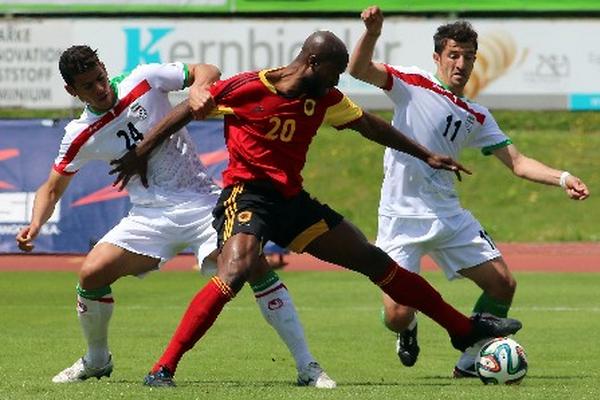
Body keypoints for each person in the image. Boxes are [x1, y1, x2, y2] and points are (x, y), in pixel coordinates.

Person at [110, 30, 523, 387]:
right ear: (312, 61)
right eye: (334, 71)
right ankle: (163, 367)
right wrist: (142, 151)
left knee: (371, 259)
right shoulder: (247, 88)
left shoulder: (324, 96)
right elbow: (186, 108)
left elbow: (369, 125)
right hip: (248, 196)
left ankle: (463, 331)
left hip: (291, 201)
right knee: (235, 270)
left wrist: (427, 154)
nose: (337, 81)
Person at [15, 45, 337, 388]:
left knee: (254, 265)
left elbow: (206, 69)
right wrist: (35, 225)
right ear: (72, 91)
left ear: (105, 68)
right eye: (88, 85)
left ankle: (308, 365)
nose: (100, 88)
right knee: (91, 274)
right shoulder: (79, 135)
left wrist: (198, 89)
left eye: (100, 77)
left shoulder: (144, 79)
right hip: (150, 216)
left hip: (203, 203)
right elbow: (50, 188)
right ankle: (97, 360)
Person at [348, 6, 590, 377]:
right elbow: (358, 70)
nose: (462, 64)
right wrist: (373, 33)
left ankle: (472, 359)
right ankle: (408, 329)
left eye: (469, 57)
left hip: (449, 215)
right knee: (397, 315)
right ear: (438, 57)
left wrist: (563, 177)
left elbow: (519, 162)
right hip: (401, 216)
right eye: (454, 55)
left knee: (503, 283)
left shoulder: (476, 114)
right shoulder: (412, 84)